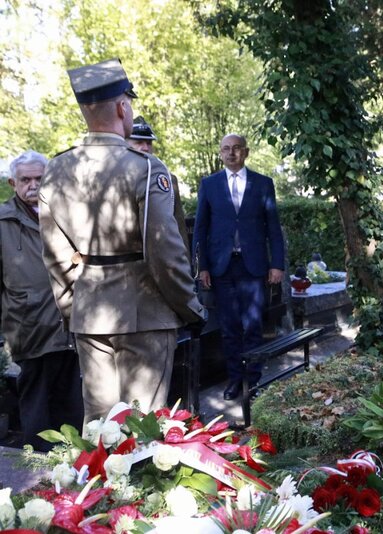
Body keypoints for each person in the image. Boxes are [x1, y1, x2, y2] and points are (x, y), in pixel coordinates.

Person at [39, 58, 206, 425]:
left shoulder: (56, 169)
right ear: (121, 106)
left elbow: (54, 256)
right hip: (144, 315)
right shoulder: (145, 167)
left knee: (98, 427)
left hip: (89, 314)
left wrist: (73, 310)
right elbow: (166, 252)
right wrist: (190, 308)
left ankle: (92, 485)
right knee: (142, 429)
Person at [193, 134, 285, 401]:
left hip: (253, 266)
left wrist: (277, 264)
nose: (231, 153)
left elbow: (273, 228)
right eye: (225, 149)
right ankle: (235, 379)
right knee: (229, 327)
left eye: (236, 149)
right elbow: (200, 228)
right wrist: (202, 267)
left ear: (245, 152)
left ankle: (253, 381)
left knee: (253, 325)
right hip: (222, 268)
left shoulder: (263, 184)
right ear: (220, 154)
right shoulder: (209, 185)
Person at [0, 151, 83, 450]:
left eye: (40, 178)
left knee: (72, 402)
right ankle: (38, 475)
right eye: (26, 180)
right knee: (36, 408)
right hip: (29, 328)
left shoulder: (68, 214)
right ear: (13, 182)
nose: (33, 185)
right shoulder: (3, 221)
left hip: (70, 325)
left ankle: (76, 467)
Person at [126, 115, 190, 253]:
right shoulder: (117, 179)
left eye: (149, 143)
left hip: (163, 259)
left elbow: (179, 226)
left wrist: (186, 264)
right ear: (126, 144)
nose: (145, 148)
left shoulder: (168, 179)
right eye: (139, 142)